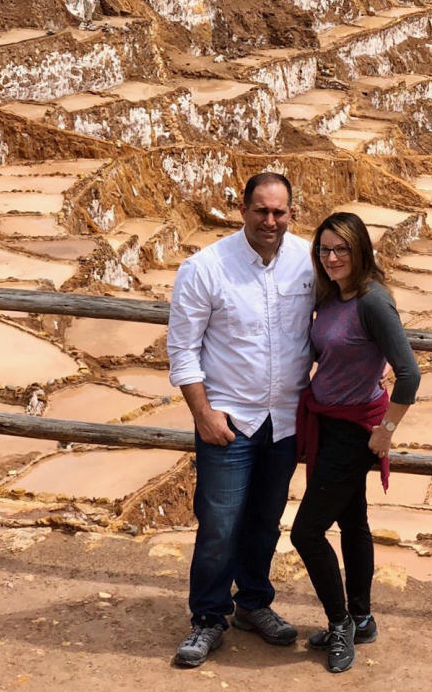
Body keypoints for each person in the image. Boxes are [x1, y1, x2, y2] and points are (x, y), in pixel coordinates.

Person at [167, 172, 315, 667]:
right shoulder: (206, 268)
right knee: (219, 525)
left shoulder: (307, 260)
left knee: (265, 522)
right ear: (243, 209)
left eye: (279, 211)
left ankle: (253, 602)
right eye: (261, 210)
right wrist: (203, 414)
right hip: (228, 420)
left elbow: (346, 314)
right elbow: (183, 350)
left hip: (286, 421)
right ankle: (208, 617)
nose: (270, 220)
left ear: (291, 213)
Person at [290, 211, 421, 674]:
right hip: (327, 425)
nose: (331, 257)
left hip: (353, 433)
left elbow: (409, 373)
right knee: (353, 523)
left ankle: (340, 622)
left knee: (306, 532)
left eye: (341, 248)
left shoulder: (372, 301)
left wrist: (386, 431)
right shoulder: (332, 296)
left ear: (360, 250)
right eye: (325, 249)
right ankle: (361, 618)